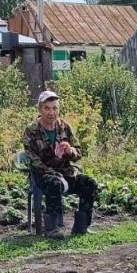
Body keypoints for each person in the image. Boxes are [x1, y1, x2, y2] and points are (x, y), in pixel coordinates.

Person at [22, 89, 97, 238]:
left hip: (66, 172)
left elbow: (78, 153)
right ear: (40, 109)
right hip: (43, 174)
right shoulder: (31, 131)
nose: (51, 112)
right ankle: (51, 229)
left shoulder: (65, 127)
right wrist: (49, 169)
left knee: (90, 183)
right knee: (54, 183)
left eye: (55, 108)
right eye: (47, 108)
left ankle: (81, 227)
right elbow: (31, 158)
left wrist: (70, 151)